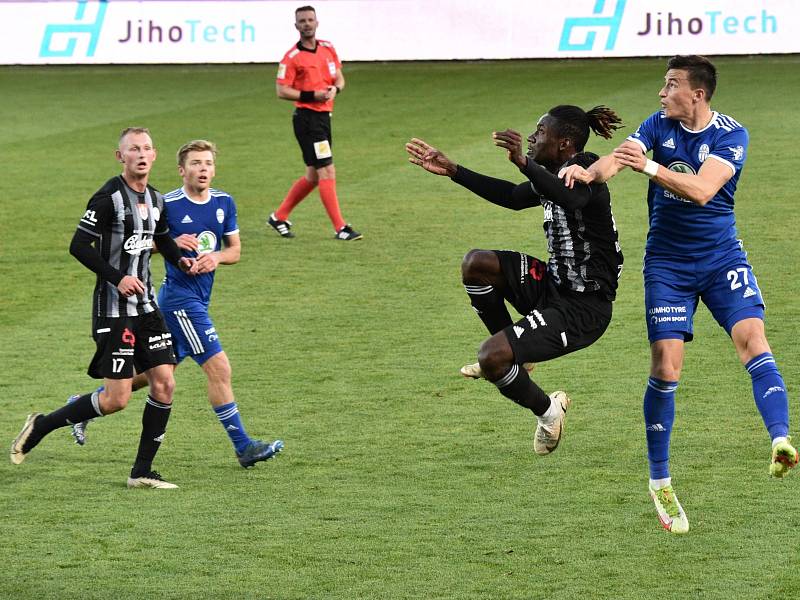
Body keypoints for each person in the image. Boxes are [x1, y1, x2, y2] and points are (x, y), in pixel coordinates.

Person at [560, 55, 798, 534]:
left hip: (721, 258)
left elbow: (703, 190)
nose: (661, 93)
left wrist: (647, 166)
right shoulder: (658, 123)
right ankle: (660, 480)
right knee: (666, 365)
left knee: (753, 338)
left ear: (698, 94)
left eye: (670, 85)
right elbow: (620, 156)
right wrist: (592, 173)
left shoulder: (732, 134)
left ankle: (781, 440)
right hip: (667, 264)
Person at [406, 104, 623, 455]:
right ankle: (518, 357)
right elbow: (510, 197)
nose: (534, 136)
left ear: (566, 142)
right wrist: (453, 170)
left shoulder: (584, 167)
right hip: (552, 287)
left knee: (492, 359)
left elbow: (571, 196)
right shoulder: (550, 176)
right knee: (476, 264)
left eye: (541, 131)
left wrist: (525, 162)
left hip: (583, 310)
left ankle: (548, 411)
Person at [69, 140, 284, 468]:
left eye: (208, 163)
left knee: (152, 376)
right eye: (196, 163)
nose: (203, 169)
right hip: (179, 301)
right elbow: (137, 245)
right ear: (182, 170)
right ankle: (243, 446)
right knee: (219, 367)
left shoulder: (224, 202)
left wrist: (217, 257)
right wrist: (167, 244)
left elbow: (235, 251)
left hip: (199, 299)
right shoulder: (164, 202)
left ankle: (82, 407)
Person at [10, 127, 195, 489]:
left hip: (146, 308)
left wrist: (183, 260)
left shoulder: (157, 201)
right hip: (114, 311)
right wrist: (117, 278)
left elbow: (160, 240)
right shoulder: (108, 197)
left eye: (146, 149)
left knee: (165, 382)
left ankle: (141, 472)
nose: (140, 155)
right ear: (120, 156)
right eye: (133, 150)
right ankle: (42, 425)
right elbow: (79, 246)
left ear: (154, 155)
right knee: (116, 399)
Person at [266, 5, 362, 241]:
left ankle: (279, 216)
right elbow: (281, 90)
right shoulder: (291, 57)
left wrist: (334, 89)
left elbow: (339, 77)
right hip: (308, 120)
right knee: (327, 170)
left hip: (323, 118)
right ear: (296, 26)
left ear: (317, 22)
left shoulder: (328, 48)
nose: (307, 24)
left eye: (310, 19)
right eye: (302, 21)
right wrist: (312, 96)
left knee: (313, 175)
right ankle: (340, 228)